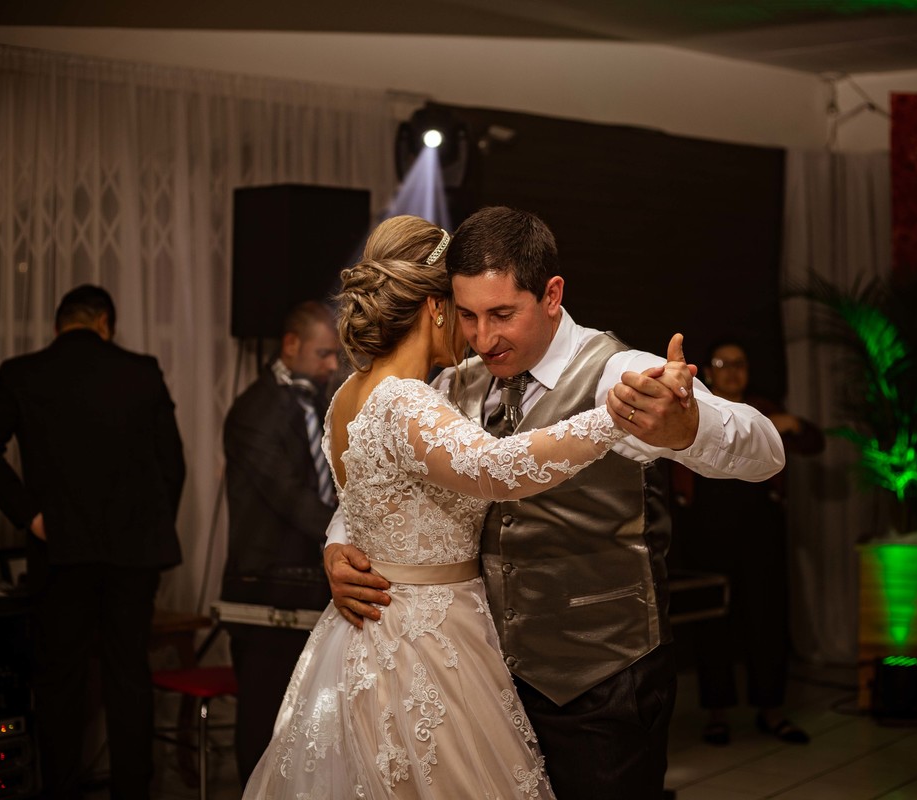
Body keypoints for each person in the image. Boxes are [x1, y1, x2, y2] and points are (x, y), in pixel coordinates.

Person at [324, 207, 787, 799]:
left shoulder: (619, 372)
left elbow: (767, 450)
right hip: (480, 681)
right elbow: (385, 483)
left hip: (602, 684)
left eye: (501, 315)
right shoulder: (448, 384)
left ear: (551, 295)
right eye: (467, 315)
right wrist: (339, 546)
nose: (482, 338)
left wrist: (687, 429)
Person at [242, 214, 656, 799]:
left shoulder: (348, 395)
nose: (477, 335)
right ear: (436, 308)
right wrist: (612, 416)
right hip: (427, 644)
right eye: (464, 313)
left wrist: (336, 546)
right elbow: (498, 469)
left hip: (371, 634)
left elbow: (366, 504)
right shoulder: (405, 400)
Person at [0, 285, 185, 800]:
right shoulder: (142, 371)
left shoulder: (24, 373)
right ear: (105, 322)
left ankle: (60, 791)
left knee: (60, 682)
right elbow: (173, 466)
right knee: (128, 678)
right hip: (133, 555)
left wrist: (31, 516)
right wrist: (150, 528)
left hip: (60, 550)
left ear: (58, 324)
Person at [678, 339, 825, 746]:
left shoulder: (761, 410)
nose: (732, 371)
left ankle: (771, 710)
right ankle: (717, 713)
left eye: (739, 363)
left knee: (767, 616)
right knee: (713, 621)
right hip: (707, 527)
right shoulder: (696, 405)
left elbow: (814, 441)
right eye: (723, 363)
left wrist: (790, 424)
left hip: (760, 527)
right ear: (709, 371)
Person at [220, 301, 341, 786]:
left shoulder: (319, 402)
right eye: (323, 353)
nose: (331, 365)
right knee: (264, 721)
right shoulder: (255, 409)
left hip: (311, 584)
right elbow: (290, 497)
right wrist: (351, 532)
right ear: (291, 345)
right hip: (265, 586)